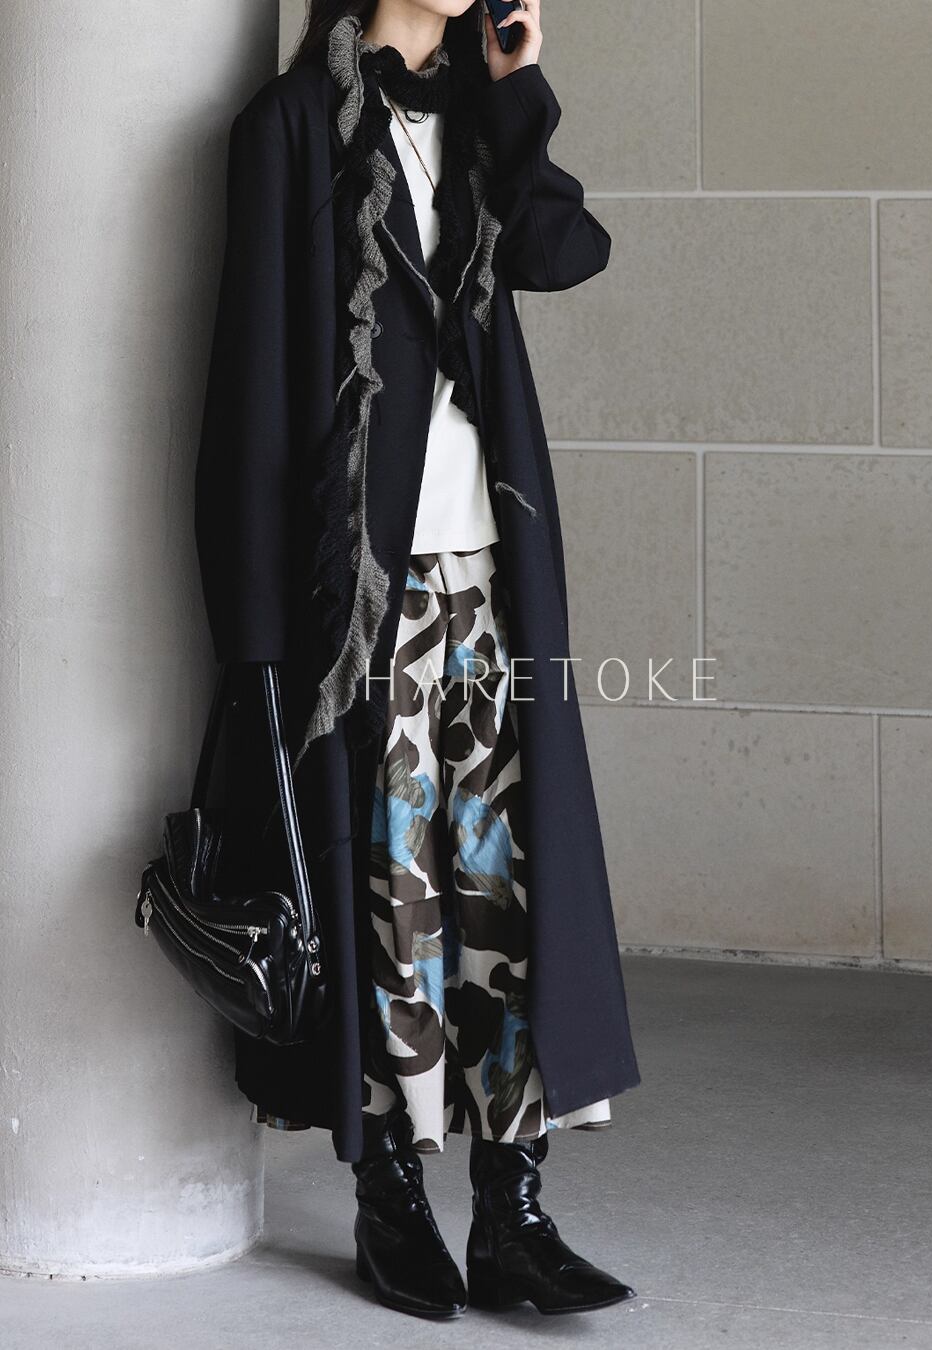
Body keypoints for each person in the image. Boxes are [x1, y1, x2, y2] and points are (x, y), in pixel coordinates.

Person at [193, 0, 640, 1320]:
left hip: (489, 568)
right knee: (392, 895)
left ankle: (512, 1212)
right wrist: (256, 647)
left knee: (505, 885)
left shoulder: (480, 121)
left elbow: (565, 250)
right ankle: (390, 1194)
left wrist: (519, 94)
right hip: (361, 599)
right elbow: (248, 391)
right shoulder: (291, 128)